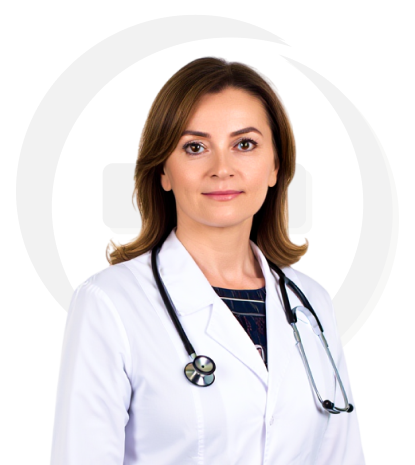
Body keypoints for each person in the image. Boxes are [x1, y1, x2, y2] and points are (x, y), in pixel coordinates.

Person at [50, 56, 366, 464]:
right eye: (195, 147)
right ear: (164, 171)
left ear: (275, 166)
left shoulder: (311, 304)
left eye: (244, 144)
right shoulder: (109, 303)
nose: (222, 169)